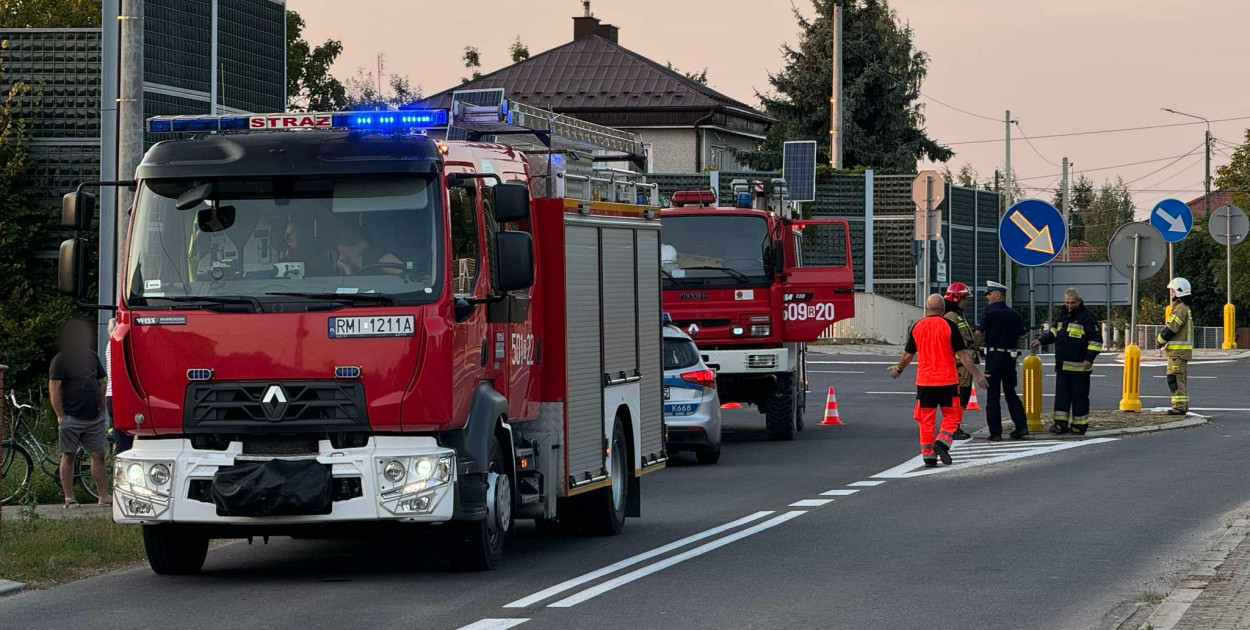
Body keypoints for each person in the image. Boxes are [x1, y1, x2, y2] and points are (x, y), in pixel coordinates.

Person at [890, 294, 988, 467]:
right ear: (943, 309)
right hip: (948, 382)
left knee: (926, 419)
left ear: (927, 308)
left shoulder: (917, 327)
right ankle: (942, 442)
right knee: (952, 416)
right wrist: (977, 374)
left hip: (925, 382)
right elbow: (963, 354)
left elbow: (908, 355)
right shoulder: (949, 325)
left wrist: (899, 369)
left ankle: (928, 456)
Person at [48, 319, 110, 507]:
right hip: (71, 417)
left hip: (93, 417)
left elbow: (101, 381)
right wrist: (60, 415)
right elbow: (54, 387)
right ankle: (69, 498)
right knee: (69, 455)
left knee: (98, 455)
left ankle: (103, 496)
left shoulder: (91, 357)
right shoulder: (61, 359)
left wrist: (101, 406)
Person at [1032, 288, 1103, 434]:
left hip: (1080, 367)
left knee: (1079, 398)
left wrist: (1089, 358)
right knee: (1061, 398)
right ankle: (1060, 424)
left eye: (1072, 303)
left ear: (1079, 300)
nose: (1069, 305)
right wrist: (1041, 341)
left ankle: (1079, 425)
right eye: (1067, 302)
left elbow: (1096, 341)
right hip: (1063, 366)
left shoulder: (1087, 317)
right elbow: (1054, 332)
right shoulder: (1062, 313)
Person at [976, 281, 1029, 441]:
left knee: (993, 395)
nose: (988, 297)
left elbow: (978, 333)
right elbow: (1021, 335)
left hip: (994, 356)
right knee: (1010, 392)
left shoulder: (988, 313)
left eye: (990, 294)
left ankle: (996, 432)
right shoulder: (1014, 314)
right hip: (1010, 357)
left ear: (998, 295)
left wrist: (975, 347)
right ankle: (1021, 427)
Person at [942, 282, 978, 440]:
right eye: (964, 299)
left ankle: (955, 427)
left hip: (963, 363)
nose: (966, 302)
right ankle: (953, 429)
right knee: (958, 398)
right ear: (956, 298)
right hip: (959, 364)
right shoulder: (951, 317)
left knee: (962, 397)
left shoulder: (957, 315)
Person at [1157, 277, 1194, 415]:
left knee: (1174, 380)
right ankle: (1182, 406)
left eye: (1172, 291)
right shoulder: (1184, 308)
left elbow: (1172, 328)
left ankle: (1178, 407)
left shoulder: (1180, 309)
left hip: (1177, 353)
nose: (1170, 293)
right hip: (1180, 353)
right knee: (1179, 380)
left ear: (1178, 292)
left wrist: (1159, 340)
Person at [104, 317, 132, 453]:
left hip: (112, 396)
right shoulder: (117, 344)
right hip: (118, 396)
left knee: (122, 439)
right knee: (124, 443)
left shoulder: (110, 344)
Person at [335, 231, 403, 276]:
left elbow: (406, 276)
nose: (341, 259)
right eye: (340, 254)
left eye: (344, 253)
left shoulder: (379, 257)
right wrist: (348, 271)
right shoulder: (350, 268)